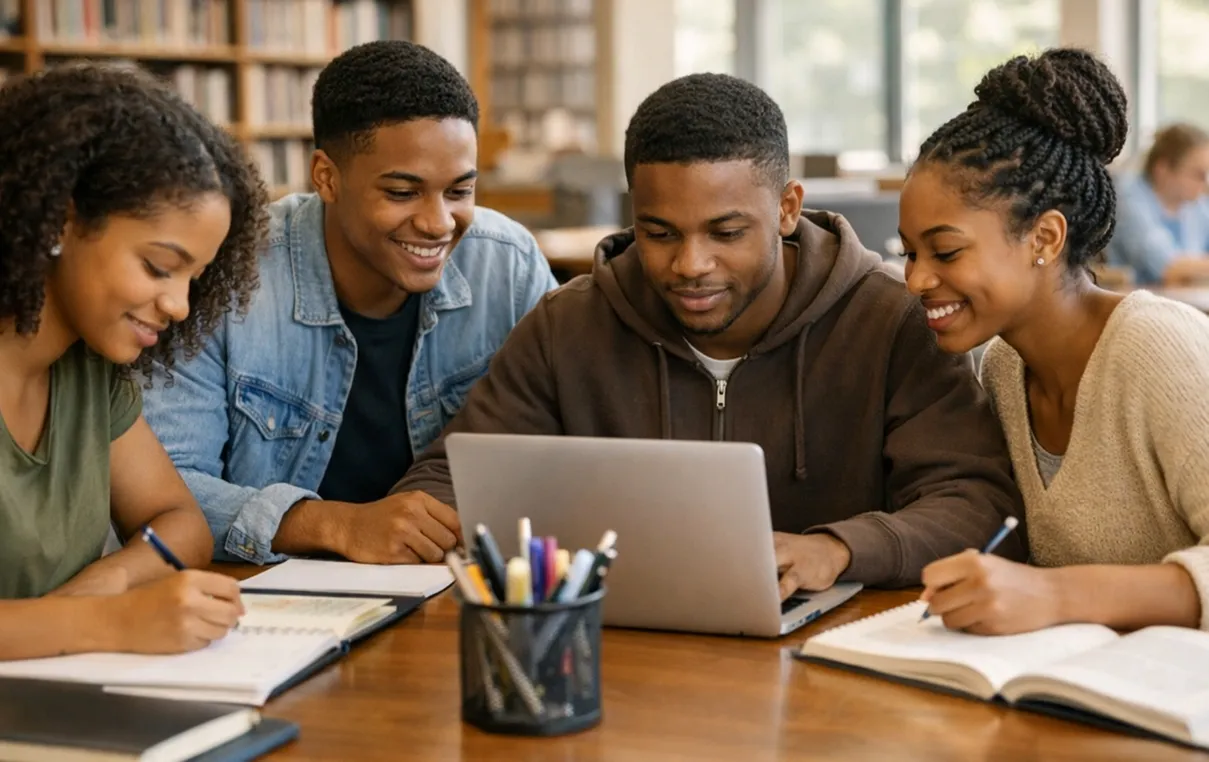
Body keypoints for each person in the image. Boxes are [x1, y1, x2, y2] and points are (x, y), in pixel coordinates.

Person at [394, 73, 1026, 599]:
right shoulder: (569, 325)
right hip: (626, 653)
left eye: (726, 233)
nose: (690, 264)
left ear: (786, 209)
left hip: (829, 666)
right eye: (660, 232)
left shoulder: (889, 322)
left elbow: (976, 503)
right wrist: (415, 519)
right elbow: (454, 479)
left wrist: (839, 548)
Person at [143, 41, 558, 567]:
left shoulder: (510, 265)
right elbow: (163, 487)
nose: (438, 223)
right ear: (326, 177)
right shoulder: (227, 272)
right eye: (403, 193)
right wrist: (336, 525)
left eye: (459, 191)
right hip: (275, 605)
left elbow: (564, 440)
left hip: (458, 588)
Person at [901, 48, 1209, 635]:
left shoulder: (1159, 348)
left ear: (1044, 236)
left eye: (945, 252)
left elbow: (1053, 590)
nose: (916, 279)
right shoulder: (1002, 367)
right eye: (909, 253)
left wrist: (1053, 593)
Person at [0, 63, 266, 659]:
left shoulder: (88, 373)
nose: (178, 305)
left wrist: (108, 580)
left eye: (195, 278)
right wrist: (107, 622)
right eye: (157, 266)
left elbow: (182, 524)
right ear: (62, 220)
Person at [1108, 123, 1209, 285]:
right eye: (1199, 174)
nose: (1205, 184)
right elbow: (1169, 268)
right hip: (1135, 305)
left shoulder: (1198, 206)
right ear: (1163, 168)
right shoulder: (1127, 198)